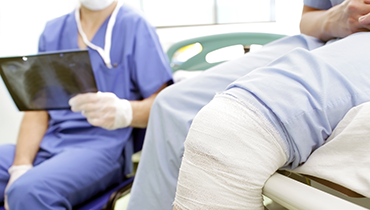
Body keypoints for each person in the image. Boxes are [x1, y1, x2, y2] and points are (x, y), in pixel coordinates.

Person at [127, 0, 370, 209]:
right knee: (169, 105)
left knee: (230, 131)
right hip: (327, 39)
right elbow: (308, 20)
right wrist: (336, 17)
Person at [0, 0, 173, 209]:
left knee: (28, 192)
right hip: (51, 141)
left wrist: (126, 112)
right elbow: (38, 109)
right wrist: (20, 165)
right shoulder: (54, 31)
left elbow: (163, 104)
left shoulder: (133, 25)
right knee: (21, 182)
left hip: (102, 147)